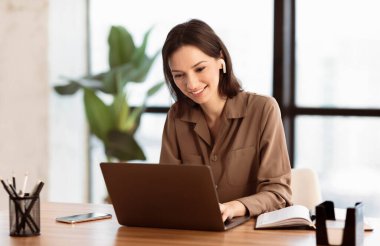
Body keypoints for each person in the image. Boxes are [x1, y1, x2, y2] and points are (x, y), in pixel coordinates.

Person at [159, 19, 292, 222]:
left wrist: (234, 207)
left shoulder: (263, 109)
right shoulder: (176, 117)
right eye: (179, 75)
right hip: (194, 232)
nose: (191, 84)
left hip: (250, 235)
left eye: (200, 69)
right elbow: (167, 189)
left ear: (221, 60)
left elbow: (279, 194)